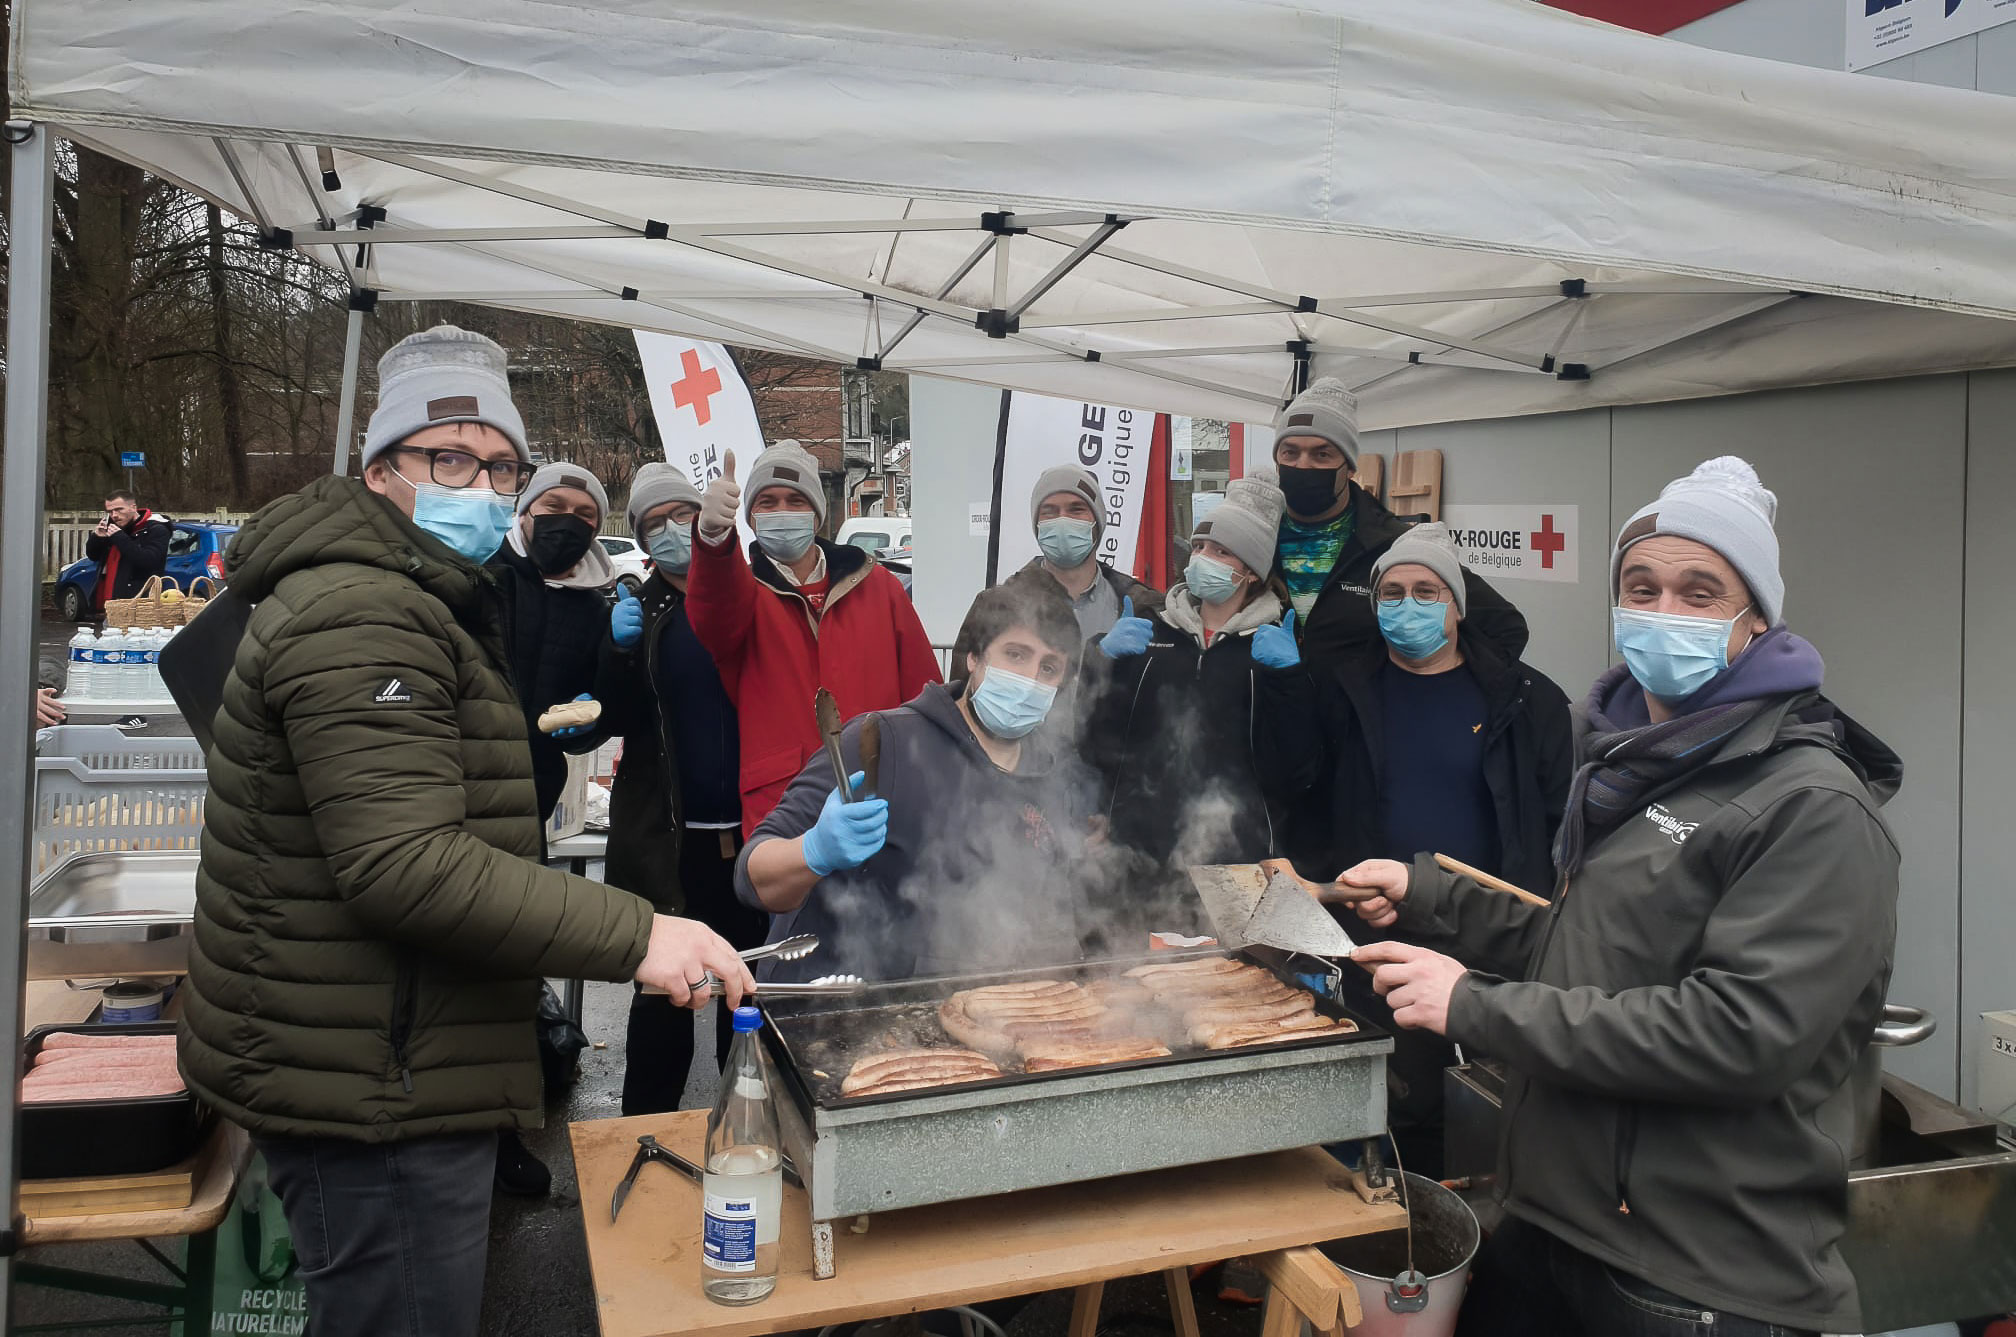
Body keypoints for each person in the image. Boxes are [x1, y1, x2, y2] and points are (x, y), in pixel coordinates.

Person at [177, 324, 754, 1337]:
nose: (480, 484)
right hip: (373, 1070)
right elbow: (403, 862)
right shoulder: (364, 610)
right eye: (449, 457)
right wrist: (639, 932)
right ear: (381, 470)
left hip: (387, 1045)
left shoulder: (413, 592)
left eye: (499, 464)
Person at [1336, 457, 1902, 1337]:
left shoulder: (1812, 806)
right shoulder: (1632, 759)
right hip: (1561, 1224)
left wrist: (1474, 1006)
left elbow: (1737, 1034)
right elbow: (1586, 942)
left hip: (1692, 1271)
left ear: (1757, 621)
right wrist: (1431, 894)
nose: (1661, 611)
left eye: (1699, 591)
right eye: (1641, 585)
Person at [1321, 522, 1572, 1178]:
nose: (1409, 605)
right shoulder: (1347, 694)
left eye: (1427, 590)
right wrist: (1349, 892)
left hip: (1492, 942)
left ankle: (1470, 1243)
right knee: (1390, 1107)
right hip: (1378, 938)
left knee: (1481, 1111)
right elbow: (1321, 805)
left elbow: (1556, 825)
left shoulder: (1528, 700)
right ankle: (1398, 1238)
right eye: (1393, 592)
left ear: (1458, 604)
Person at [736, 577, 1097, 983]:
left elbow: (1051, 919)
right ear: (975, 658)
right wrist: (814, 850)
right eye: (1016, 655)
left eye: (1048, 668)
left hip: (969, 1011)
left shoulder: (1051, 776)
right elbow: (753, 877)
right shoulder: (882, 743)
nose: (1030, 678)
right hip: (838, 1012)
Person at [599, 463, 771, 1115]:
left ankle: (746, 1128)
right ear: (642, 538)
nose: (673, 529)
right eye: (656, 522)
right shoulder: (634, 609)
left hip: (750, 839)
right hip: (667, 846)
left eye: (683, 514)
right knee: (663, 1004)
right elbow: (609, 718)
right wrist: (617, 654)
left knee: (745, 999)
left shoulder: (749, 596)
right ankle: (640, 1137)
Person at [1081, 475, 1322, 925]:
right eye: (1199, 547)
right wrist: (1101, 665)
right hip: (1137, 859)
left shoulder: (1273, 648)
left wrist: (1290, 682)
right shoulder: (1151, 634)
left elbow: (1293, 773)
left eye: (1221, 551)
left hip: (1237, 861)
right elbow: (1097, 745)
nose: (1203, 559)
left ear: (1250, 570)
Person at [688, 440, 940, 835]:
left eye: (795, 500)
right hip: (784, 805)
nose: (782, 511)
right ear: (750, 516)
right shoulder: (741, 593)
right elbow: (713, 614)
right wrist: (714, 541)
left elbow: (923, 691)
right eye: (767, 502)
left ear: (818, 513)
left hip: (879, 793)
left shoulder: (877, 586)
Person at [1267, 379, 1523, 663]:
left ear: (1350, 466)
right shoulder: (1254, 541)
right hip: (1269, 704)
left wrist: (1433, 682)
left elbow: (1505, 627)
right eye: (1290, 452)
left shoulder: (1394, 544)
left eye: (1322, 454)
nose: (1303, 465)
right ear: (1277, 459)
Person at [486, 460, 623, 825]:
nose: (567, 520)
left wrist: (589, 725)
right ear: (526, 509)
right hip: (452, 783)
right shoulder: (481, 574)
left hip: (532, 799)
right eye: (554, 506)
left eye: (584, 513)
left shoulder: (594, 611)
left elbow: (594, 713)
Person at [1023, 464, 1164, 642]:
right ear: (1037, 524)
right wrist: (1101, 654)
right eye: (1049, 512)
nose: (1063, 520)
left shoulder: (1142, 605)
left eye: (1076, 509)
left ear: (1098, 521)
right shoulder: (1003, 605)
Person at [84, 488, 170, 613]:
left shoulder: (156, 529)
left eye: (119, 509)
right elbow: (93, 556)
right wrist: (97, 538)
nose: (114, 515)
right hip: (112, 603)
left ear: (133, 507)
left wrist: (121, 538)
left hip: (141, 603)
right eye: (110, 511)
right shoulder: (114, 528)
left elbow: (149, 560)